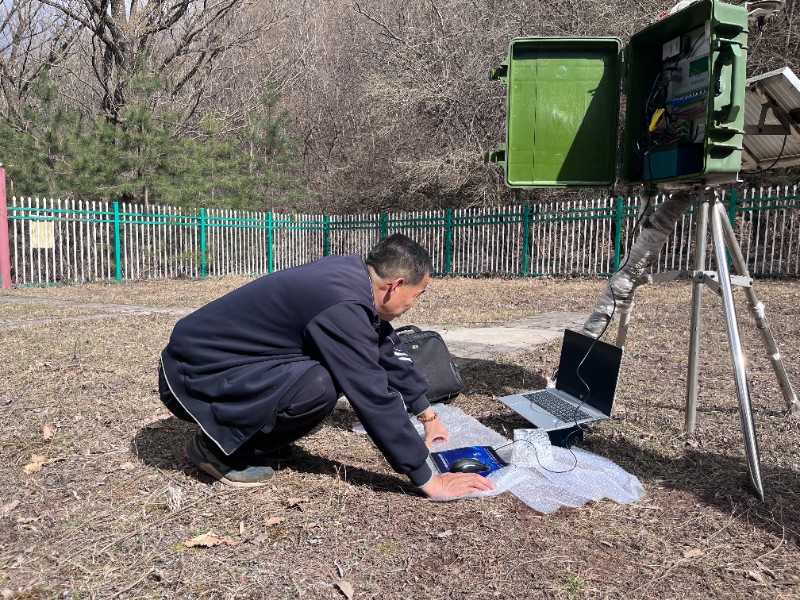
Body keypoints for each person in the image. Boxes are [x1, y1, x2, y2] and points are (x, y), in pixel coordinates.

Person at [158, 233, 494, 500]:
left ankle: (259, 439)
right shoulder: (343, 304)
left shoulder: (352, 277)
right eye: (418, 295)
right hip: (193, 377)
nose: (413, 304)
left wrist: (427, 414)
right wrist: (428, 478)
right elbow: (372, 393)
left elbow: (383, 346)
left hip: (220, 365)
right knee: (321, 384)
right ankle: (217, 448)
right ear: (396, 285)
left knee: (320, 377)